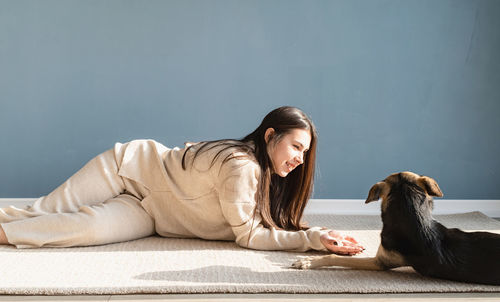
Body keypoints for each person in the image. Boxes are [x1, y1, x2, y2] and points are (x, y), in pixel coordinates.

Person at [0, 106, 364, 254]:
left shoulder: (267, 176)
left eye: (305, 153)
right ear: (270, 135)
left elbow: (262, 226)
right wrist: (310, 241)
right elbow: (250, 236)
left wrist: (317, 234)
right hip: (128, 167)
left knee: (85, 230)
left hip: (153, 215)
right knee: (41, 211)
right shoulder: (243, 165)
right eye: (296, 146)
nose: (300, 159)